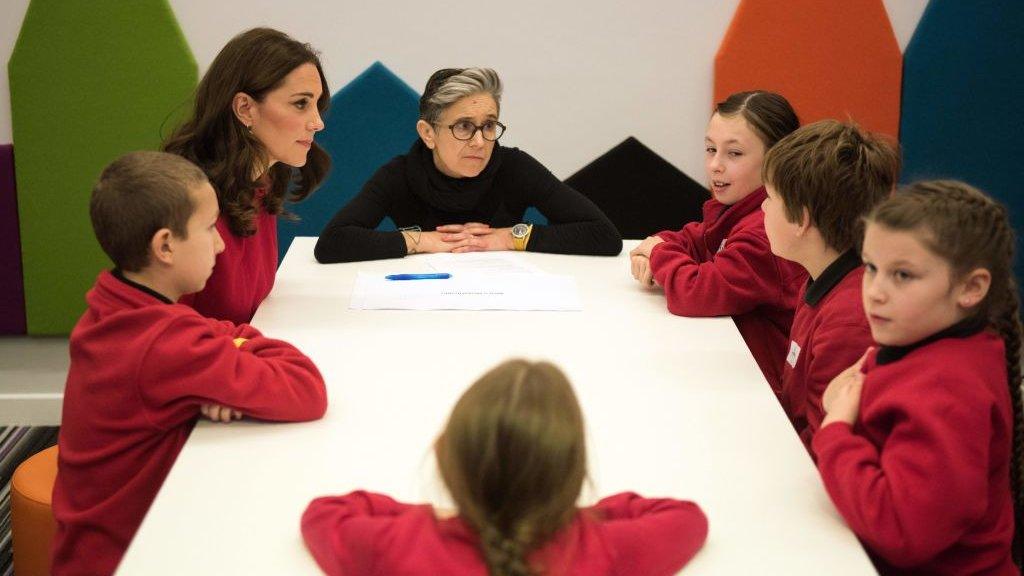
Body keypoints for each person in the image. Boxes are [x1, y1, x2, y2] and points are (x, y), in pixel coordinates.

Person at [51, 151, 328, 575]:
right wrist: (239, 346)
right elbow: (306, 389)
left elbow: (216, 330)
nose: (220, 243)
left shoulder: (113, 304)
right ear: (165, 246)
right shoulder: (169, 345)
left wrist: (229, 350)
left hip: (95, 545)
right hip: (133, 557)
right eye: (208, 229)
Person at [301, 359, 707, 575]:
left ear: (445, 458)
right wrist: (577, 517)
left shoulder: (398, 545)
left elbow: (325, 515)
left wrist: (423, 516)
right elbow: (686, 519)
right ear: (572, 473)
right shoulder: (603, 549)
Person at [815, 181, 1022, 574]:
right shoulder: (923, 341)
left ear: (971, 288)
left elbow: (901, 531)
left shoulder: (949, 390)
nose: (875, 292)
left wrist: (836, 432)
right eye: (871, 268)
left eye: (903, 275)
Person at [313, 68, 621, 263]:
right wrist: (423, 240)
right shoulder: (399, 175)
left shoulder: (515, 167)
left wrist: (511, 236)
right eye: (463, 126)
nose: (479, 142)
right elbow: (332, 244)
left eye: (488, 126)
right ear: (428, 133)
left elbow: (603, 236)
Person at [630, 91, 805, 392]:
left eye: (734, 154)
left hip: (764, 393)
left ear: (777, 160)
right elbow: (693, 238)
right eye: (710, 149)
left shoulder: (764, 231)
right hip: (735, 369)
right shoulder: (737, 210)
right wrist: (661, 245)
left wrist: (657, 252)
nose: (715, 165)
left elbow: (696, 292)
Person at [164, 27, 331, 324]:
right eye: (301, 103)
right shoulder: (186, 201)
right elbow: (166, 331)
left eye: (317, 104)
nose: (317, 122)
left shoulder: (261, 183)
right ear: (245, 108)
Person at [760, 120, 899, 448]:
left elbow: (824, 448)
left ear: (801, 220)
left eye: (769, 197)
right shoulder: (820, 276)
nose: (763, 208)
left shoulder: (849, 320)